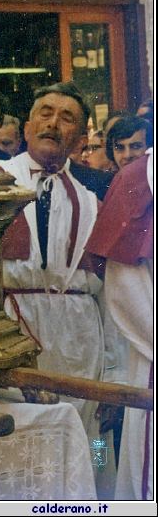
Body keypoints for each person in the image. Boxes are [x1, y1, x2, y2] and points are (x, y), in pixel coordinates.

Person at [0, 83, 103, 432]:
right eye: (45, 113)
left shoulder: (93, 200)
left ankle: (97, 485)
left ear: (81, 140)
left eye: (66, 118)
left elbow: (110, 291)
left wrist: (115, 369)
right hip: (14, 330)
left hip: (81, 336)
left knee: (92, 433)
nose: (53, 123)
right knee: (23, 436)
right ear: (27, 128)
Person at [85, 150, 153, 501]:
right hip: (135, 340)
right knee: (90, 432)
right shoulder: (138, 180)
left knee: (97, 434)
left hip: (91, 331)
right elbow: (125, 289)